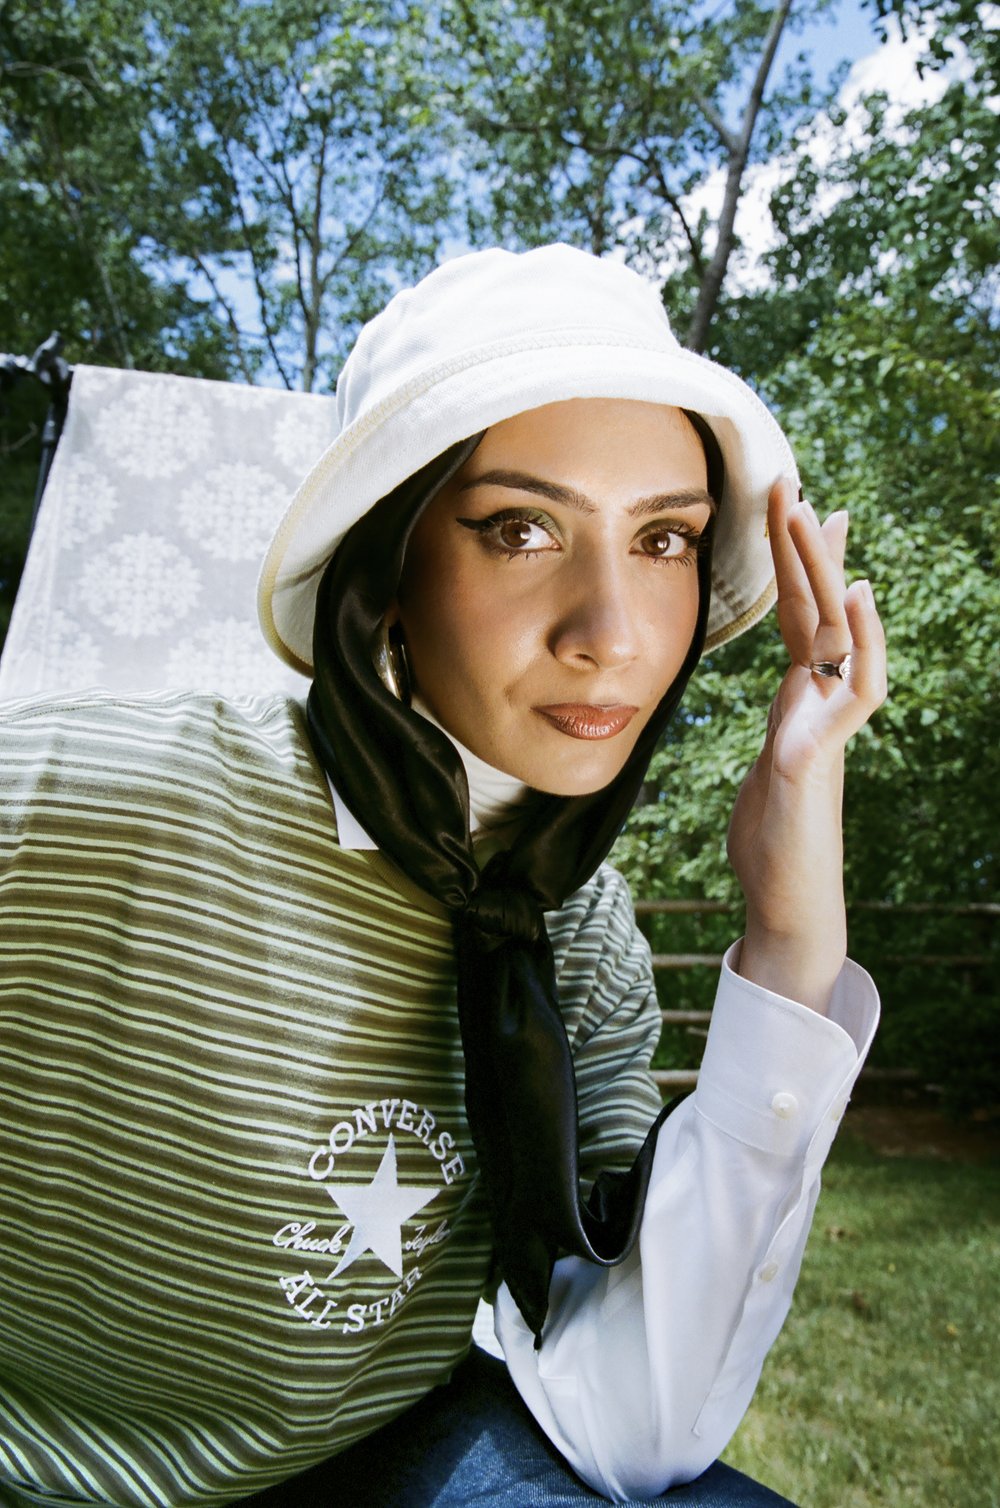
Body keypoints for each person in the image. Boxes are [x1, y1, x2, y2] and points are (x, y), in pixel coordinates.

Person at [0, 244, 885, 1508]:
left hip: (380, 1451)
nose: (611, 633)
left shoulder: (579, 935)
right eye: (520, 529)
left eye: (664, 538)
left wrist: (792, 938)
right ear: (387, 570)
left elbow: (634, 1418)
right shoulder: (91, 795)